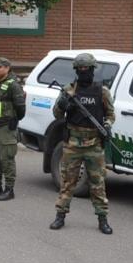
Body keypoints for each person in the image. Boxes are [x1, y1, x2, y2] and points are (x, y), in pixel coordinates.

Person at [49, 53, 115, 235]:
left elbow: (110, 114)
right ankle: (60, 215)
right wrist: (63, 105)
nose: (84, 72)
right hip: (73, 143)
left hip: (94, 143)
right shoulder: (68, 90)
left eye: (87, 69)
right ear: (76, 71)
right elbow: (57, 115)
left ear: (93, 70)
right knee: (68, 182)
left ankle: (103, 219)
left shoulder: (102, 91)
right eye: (81, 69)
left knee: (98, 183)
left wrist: (107, 126)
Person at [0, 56, 26, 201]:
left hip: (6, 128)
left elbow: (21, 107)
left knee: (7, 159)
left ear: (7, 68)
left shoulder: (13, 85)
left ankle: (9, 189)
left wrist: (14, 120)